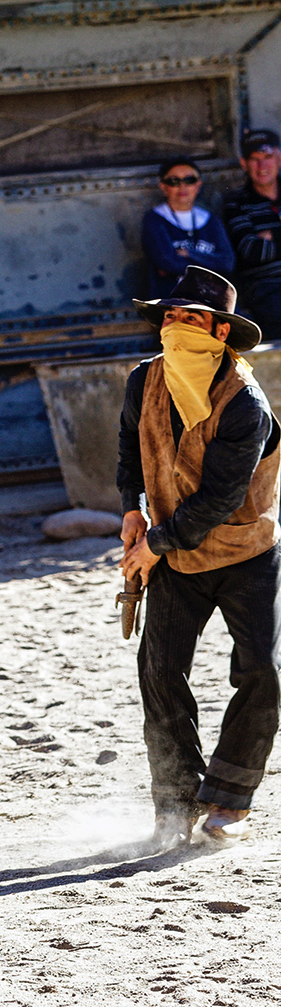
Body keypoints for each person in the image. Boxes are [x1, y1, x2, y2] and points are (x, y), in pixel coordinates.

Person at [117, 265, 281, 849]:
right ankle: (175, 801)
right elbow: (129, 452)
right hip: (174, 556)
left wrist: (151, 550)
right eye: (170, 317)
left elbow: (218, 500)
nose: (176, 329)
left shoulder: (246, 406)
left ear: (218, 333)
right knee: (159, 673)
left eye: (190, 320)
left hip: (244, 552)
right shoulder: (144, 381)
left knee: (261, 670)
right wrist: (132, 510)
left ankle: (229, 798)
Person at [223, 127, 281, 339]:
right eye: (254, 159)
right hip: (267, 289)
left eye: (267, 157)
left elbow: (263, 247)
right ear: (244, 163)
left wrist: (271, 236)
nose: (262, 165)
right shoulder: (236, 202)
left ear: (279, 159)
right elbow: (251, 250)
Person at [141, 157, 233, 290]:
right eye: (174, 181)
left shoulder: (211, 220)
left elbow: (227, 263)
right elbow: (168, 262)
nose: (182, 186)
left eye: (189, 180)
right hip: (172, 302)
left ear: (198, 185)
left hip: (211, 300)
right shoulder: (154, 220)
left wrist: (189, 254)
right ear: (163, 187)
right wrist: (210, 263)